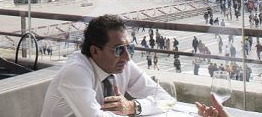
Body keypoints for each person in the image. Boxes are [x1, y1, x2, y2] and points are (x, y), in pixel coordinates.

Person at [40, 14, 175, 117]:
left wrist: (133, 106)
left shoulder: (123, 64)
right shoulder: (76, 71)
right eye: (119, 49)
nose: (127, 57)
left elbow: (167, 100)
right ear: (95, 51)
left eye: (130, 48)